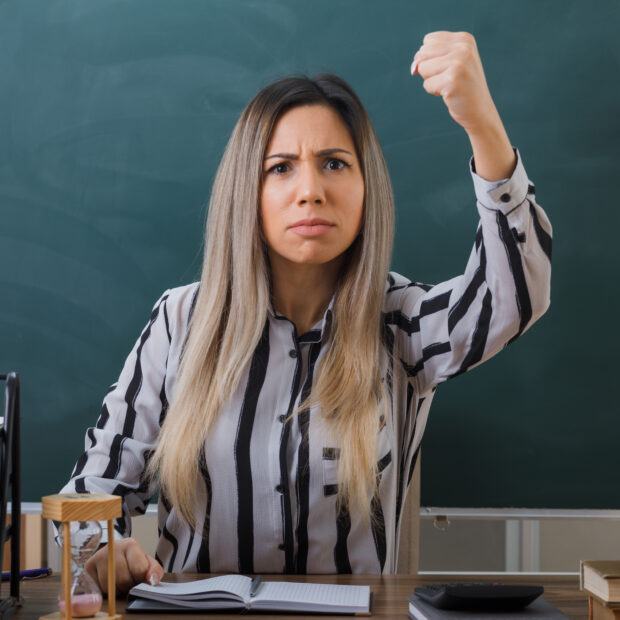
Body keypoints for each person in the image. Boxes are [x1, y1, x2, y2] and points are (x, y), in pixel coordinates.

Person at [61, 32, 552, 593]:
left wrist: (483, 126)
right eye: (280, 168)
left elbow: (513, 298)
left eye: (335, 164)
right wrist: (100, 554)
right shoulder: (181, 322)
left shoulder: (400, 322)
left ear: (368, 187)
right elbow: (89, 493)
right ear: (248, 190)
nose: (311, 190)